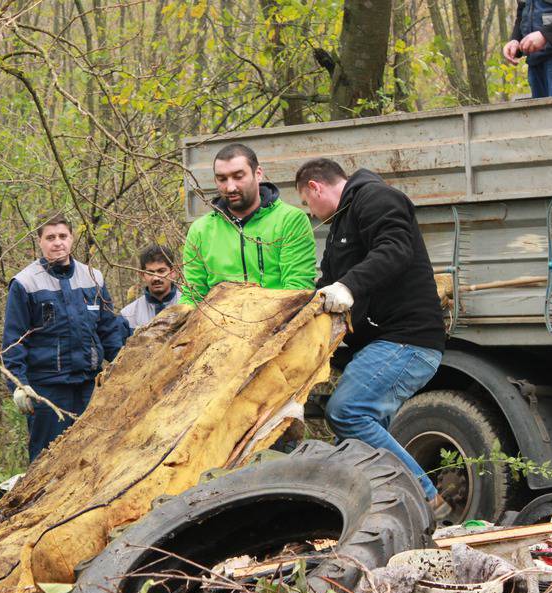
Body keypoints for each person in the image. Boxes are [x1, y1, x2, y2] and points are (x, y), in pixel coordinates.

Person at [295, 158, 451, 518]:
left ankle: (427, 498)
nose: (311, 212)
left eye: (306, 202)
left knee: (348, 412)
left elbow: (395, 249)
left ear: (315, 187)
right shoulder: (341, 227)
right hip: (382, 344)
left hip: (408, 341)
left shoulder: (376, 198)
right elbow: (328, 285)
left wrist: (350, 285)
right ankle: (384, 515)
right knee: (353, 446)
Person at [2, 214, 123, 461]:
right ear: (40, 241)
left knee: (94, 458)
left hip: (90, 386)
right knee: (48, 462)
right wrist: (19, 385)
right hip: (46, 391)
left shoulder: (93, 278)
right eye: (50, 237)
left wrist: (124, 366)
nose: (57, 243)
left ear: (72, 238)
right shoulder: (25, 284)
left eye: (63, 236)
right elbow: (14, 342)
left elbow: (109, 330)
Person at [180, 143, 317, 306]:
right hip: (218, 327)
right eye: (222, 179)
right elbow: (193, 297)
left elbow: (298, 291)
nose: (230, 187)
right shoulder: (200, 230)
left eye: (238, 176)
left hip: (279, 324)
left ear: (258, 174)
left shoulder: (290, 220)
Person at [120, 244, 181, 333]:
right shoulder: (128, 315)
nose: (156, 278)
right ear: (142, 275)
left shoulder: (189, 306)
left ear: (173, 272)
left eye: (161, 271)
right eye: (150, 272)